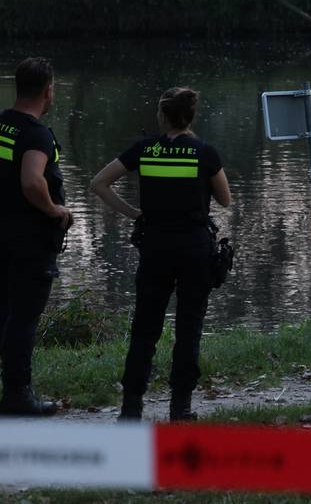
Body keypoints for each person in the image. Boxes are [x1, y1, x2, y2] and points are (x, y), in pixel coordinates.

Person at [89, 87, 231, 421]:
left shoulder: (144, 149)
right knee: (189, 327)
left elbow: (98, 184)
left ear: (163, 116)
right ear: (190, 116)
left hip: (154, 248)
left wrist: (135, 213)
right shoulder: (204, 153)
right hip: (195, 249)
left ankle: (131, 407)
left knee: (145, 328)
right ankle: (180, 408)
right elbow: (225, 200)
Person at [0, 57, 71, 416]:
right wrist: (55, 210)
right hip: (29, 240)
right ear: (48, 91)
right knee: (23, 317)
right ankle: (18, 396)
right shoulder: (37, 134)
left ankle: (14, 389)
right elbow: (32, 181)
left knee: (9, 312)